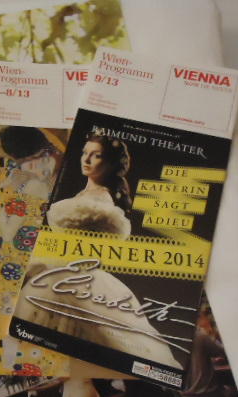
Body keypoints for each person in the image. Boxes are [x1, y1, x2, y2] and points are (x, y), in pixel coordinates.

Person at [15, 133, 182, 369]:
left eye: (96, 155)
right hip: (62, 269)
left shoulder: (102, 200)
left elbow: (87, 247)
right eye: (85, 153)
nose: (86, 159)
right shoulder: (83, 195)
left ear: (110, 163)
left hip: (74, 274)